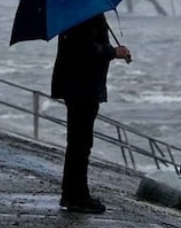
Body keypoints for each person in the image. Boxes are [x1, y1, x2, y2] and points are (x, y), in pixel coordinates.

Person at [50, 13, 130, 214]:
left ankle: (73, 193)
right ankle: (77, 196)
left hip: (81, 85)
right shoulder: (83, 15)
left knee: (80, 142)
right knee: (80, 143)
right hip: (81, 86)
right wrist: (114, 51)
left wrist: (113, 51)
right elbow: (85, 50)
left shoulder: (79, 11)